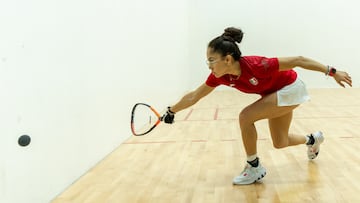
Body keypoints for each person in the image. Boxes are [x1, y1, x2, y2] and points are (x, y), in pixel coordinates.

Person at [161, 27, 352, 185]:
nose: (209, 65)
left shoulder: (257, 65)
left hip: (291, 88)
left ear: (227, 59)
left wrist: (332, 71)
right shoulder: (220, 77)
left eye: (211, 60)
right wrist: (172, 111)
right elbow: (195, 95)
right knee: (280, 142)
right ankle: (313, 139)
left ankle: (254, 166)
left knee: (245, 116)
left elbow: (298, 60)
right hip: (274, 94)